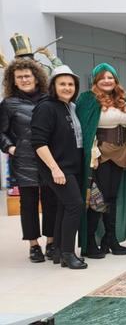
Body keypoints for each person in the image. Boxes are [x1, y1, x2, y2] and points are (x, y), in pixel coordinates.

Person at [76, 63, 126, 258]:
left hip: (119, 154)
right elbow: (86, 128)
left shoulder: (123, 99)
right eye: (102, 77)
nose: (107, 81)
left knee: (111, 197)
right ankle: (91, 240)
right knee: (96, 199)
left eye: (110, 77)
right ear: (95, 80)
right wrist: (92, 152)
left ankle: (111, 239)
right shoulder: (87, 99)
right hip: (99, 155)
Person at [1, 58, 58, 263]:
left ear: (36, 77)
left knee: (52, 201)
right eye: (20, 77)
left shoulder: (49, 99)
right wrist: (11, 147)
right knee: (29, 204)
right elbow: (2, 132)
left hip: (49, 158)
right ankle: (33, 245)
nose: (24, 79)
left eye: (27, 75)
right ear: (13, 81)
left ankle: (51, 241)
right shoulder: (8, 104)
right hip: (24, 160)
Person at [31, 65, 86, 269]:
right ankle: (68, 253)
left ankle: (61, 253)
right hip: (57, 167)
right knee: (75, 205)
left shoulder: (69, 106)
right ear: (53, 85)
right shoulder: (46, 107)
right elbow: (38, 142)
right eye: (62, 83)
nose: (67, 87)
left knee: (65, 206)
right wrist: (55, 169)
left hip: (70, 166)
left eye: (71, 84)